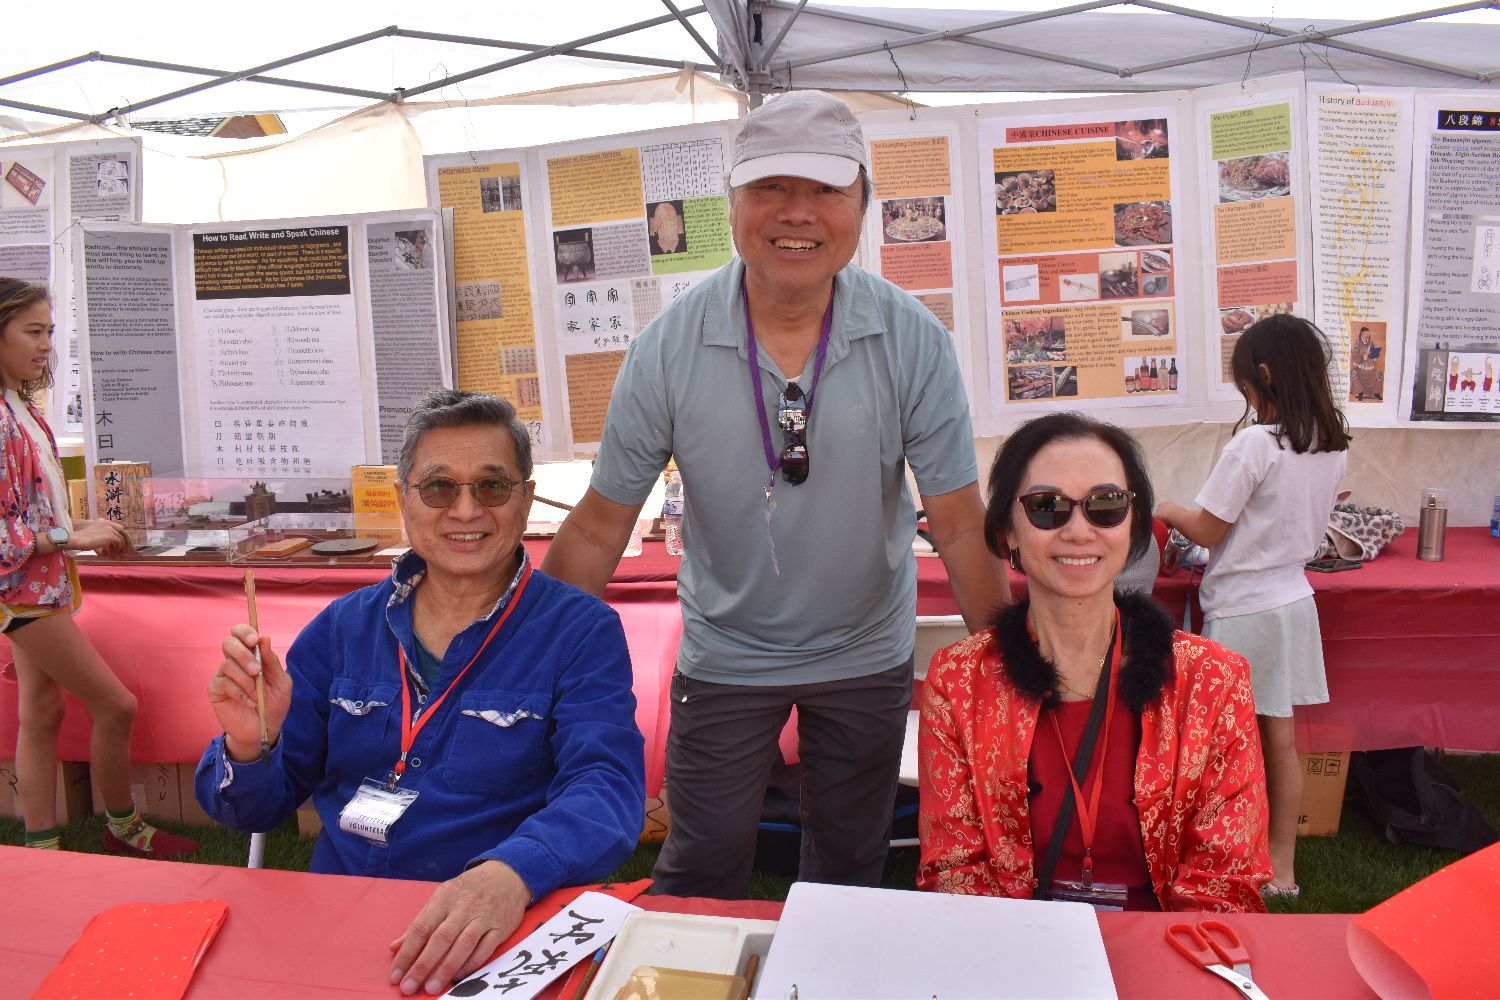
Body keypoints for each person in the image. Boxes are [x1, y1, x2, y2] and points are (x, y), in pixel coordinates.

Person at [542, 90, 1009, 899]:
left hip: (866, 645)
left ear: (863, 203)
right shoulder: (667, 348)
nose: (798, 213)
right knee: (701, 864)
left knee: (849, 869)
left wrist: (1012, 670)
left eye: (825, 189)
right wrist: (521, 657)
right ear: (731, 203)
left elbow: (962, 526)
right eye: (771, 188)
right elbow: (598, 525)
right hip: (727, 648)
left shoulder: (913, 340)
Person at [195, 388, 645, 996]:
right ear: (404, 499)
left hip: (492, 929)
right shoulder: (342, 628)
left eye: (492, 486)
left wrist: (512, 873)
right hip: (341, 920)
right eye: (438, 488)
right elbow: (248, 811)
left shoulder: (580, 631)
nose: (466, 510)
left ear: (526, 498)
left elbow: (607, 787)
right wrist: (249, 747)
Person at [919, 412, 1272, 912]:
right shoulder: (958, 681)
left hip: (1166, 944)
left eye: (1106, 505)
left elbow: (1225, 884)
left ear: (1133, 525)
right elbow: (955, 874)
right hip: (1016, 943)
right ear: (1007, 532)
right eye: (1047, 507)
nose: (1079, 531)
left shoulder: (1212, 680)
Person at [0, 278, 198, 860]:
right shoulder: (4, 418)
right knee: (116, 705)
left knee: (42, 712)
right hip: (24, 595)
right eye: (33, 332)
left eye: (49, 332)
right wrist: (73, 536)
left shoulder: (20, 408)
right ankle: (124, 828)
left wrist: (75, 528)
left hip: (40, 590)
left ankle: (42, 845)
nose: (46, 346)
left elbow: (32, 508)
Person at [1156, 314, 1351, 896]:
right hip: (1293, 601)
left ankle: (1217, 855)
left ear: (1263, 374)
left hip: (1244, 612)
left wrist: (1167, 509)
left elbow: (1208, 529)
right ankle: (1282, 870)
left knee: (1221, 745)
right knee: (1281, 742)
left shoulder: (1254, 444)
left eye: (1242, 382)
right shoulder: (1330, 444)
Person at [1350, 326, 1382, 401]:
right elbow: (1354, 355)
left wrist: (1374, 355)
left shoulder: (1371, 342)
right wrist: (1363, 357)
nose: (1367, 336)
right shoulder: (1357, 342)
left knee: (1379, 375)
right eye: (1366, 334)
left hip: (1370, 367)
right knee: (1355, 375)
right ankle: (1360, 394)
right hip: (1361, 367)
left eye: (1368, 334)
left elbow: (1374, 352)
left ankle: (1376, 394)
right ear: (1361, 333)